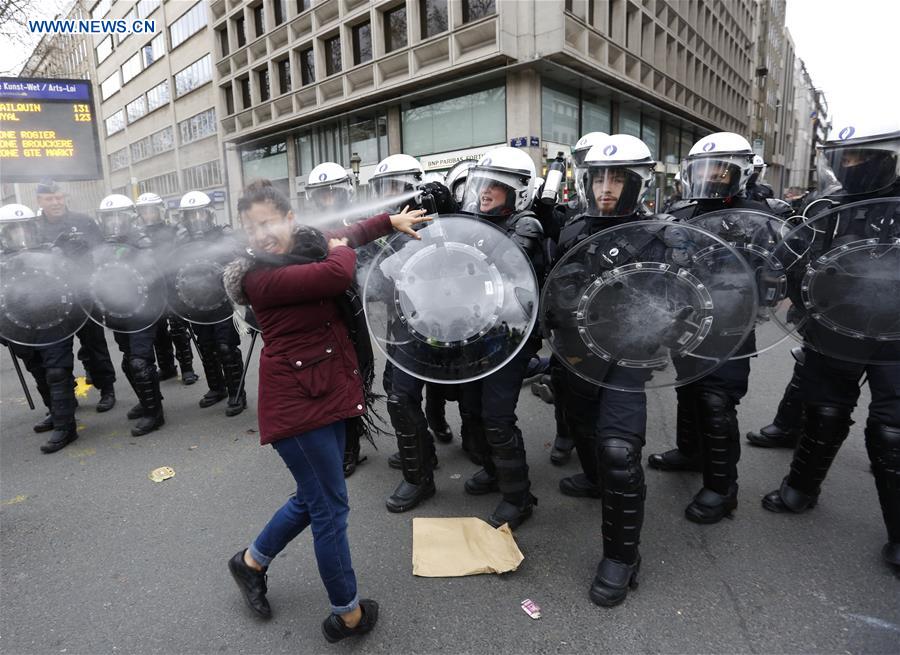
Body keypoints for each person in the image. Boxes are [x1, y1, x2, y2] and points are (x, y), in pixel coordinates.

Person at [222, 179, 427, 641]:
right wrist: (341, 248)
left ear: (290, 220)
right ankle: (347, 614)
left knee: (313, 498)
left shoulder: (305, 246)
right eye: (252, 228)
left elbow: (344, 235)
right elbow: (335, 272)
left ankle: (251, 562)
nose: (261, 235)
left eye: (269, 223)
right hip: (297, 409)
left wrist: (388, 221)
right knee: (330, 510)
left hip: (322, 392)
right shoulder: (259, 278)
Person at [760, 120, 900, 577]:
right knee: (823, 411)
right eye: (845, 157)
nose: (851, 166)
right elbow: (792, 257)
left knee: (892, 430)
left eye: (862, 157)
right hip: (833, 327)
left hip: (896, 336)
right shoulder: (825, 206)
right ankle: (800, 488)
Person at [542, 134, 661, 605]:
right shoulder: (573, 229)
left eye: (617, 179)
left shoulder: (660, 235)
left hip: (626, 357)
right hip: (576, 353)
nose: (606, 188)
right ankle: (594, 482)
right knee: (584, 431)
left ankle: (622, 557)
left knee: (618, 451)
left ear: (637, 184)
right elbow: (554, 286)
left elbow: (679, 301)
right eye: (598, 179)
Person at [452, 145, 546, 528]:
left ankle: (518, 497)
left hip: (510, 337)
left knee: (497, 417)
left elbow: (504, 265)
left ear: (517, 192)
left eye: (495, 186)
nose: (484, 192)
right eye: (482, 184)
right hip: (476, 332)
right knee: (473, 409)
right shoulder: (477, 222)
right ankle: (494, 470)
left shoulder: (525, 226)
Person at [34, 179, 117, 414]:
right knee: (55, 353)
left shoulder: (83, 222)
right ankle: (65, 397)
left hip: (84, 293)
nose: (56, 202)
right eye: (49, 199)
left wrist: (88, 254)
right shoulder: (33, 228)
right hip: (51, 299)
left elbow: (103, 252)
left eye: (59, 197)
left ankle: (107, 389)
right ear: (39, 201)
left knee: (95, 345)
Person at [94, 194, 167, 436]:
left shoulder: (142, 242)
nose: (114, 222)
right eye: (109, 218)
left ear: (129, 218)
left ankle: (154, 414)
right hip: (117, 312)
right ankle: (148, 400)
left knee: (140, 361)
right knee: (129, 360)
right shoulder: (101, 247)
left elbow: (153, 274)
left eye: (119, 217)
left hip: (142, 310)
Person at [176, 190, 247, 417]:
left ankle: (237, 393)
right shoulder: (182, 241)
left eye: (200, 214)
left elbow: (239, 265)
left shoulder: (224, 235)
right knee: (206, 347)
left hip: (222, 302)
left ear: (208, 214)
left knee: (226, 348)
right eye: (191, 215)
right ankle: (217, 388)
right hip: (197, 303)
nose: (196, 219)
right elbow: (175, 271)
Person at [135, 192, 199, 386]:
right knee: (158, 331)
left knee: (178, 328)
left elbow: (184, 253)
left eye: (152, 210)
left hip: (173, 284)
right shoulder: (137, 234)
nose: (148, 214)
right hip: (152, 286)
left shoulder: (174, 229)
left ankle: (187, 368)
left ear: (160, 210)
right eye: (144, 211)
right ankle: (167, 367)